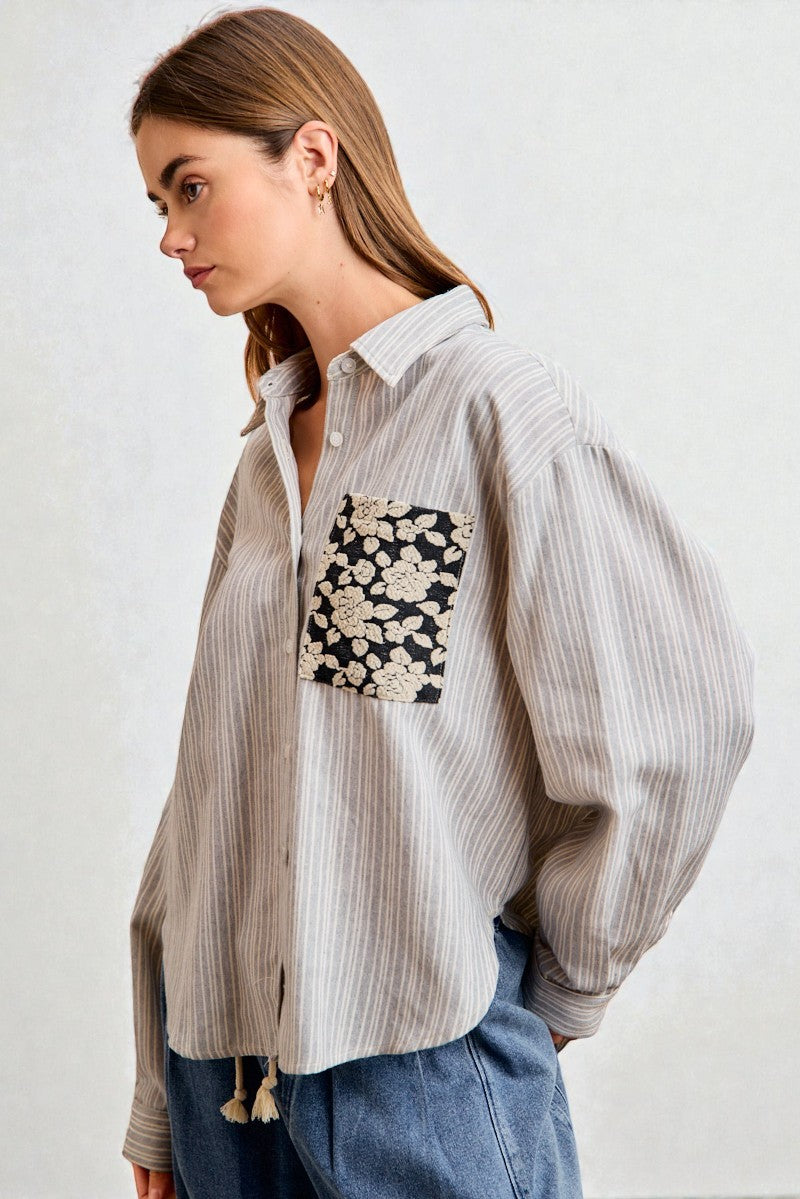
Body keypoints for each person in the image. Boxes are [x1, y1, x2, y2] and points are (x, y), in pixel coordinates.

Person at [122, 7, 756, 1199]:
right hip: (224, 1086)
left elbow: (678, 720)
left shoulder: (491, 410)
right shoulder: (263, 457)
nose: (172, 235)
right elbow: (209, 789)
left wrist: (560, 988)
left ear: (311, 157)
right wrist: (160, 1096)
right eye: (159, 203)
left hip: (420, 1073)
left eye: (189, 186)